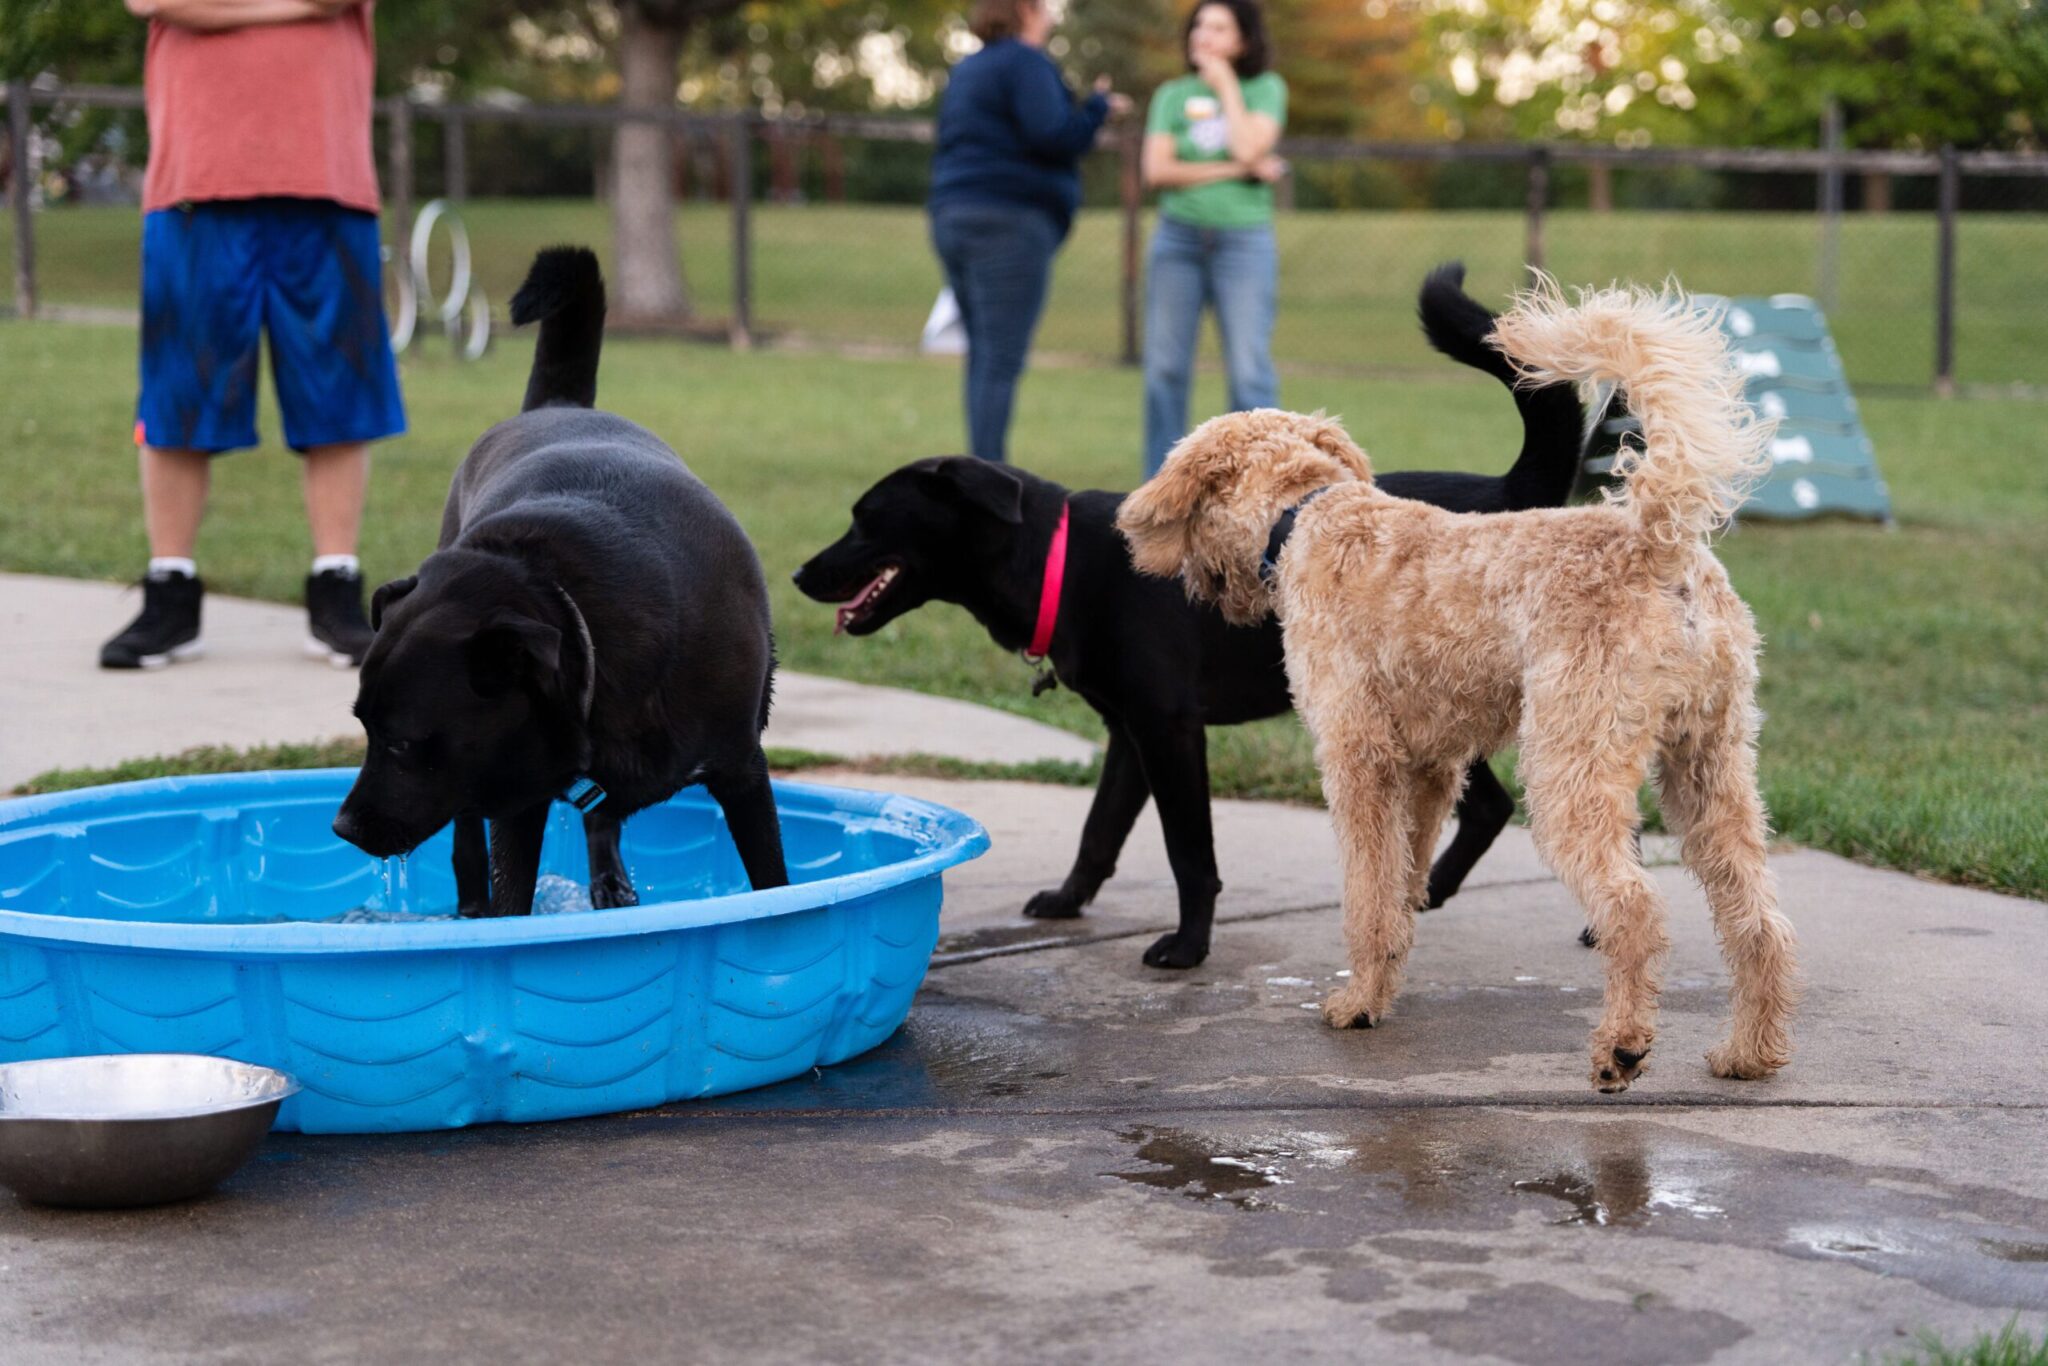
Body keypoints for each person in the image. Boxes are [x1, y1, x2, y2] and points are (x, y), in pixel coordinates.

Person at [100, 0, 405, 670]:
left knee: (338, 395)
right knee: (179, 393)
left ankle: (336, 590)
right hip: (195, 180)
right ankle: (170, 592)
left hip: (327, 174)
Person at [927, 0, 1130, 463]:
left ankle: (982, 468)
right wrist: (1097, 108)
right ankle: (989, 478)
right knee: (1000, 360)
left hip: (952, 217)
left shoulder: (969, 68)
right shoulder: (1025, 61)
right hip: (1009, 223)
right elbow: (1052, 134)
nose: (1053, 14)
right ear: (1024, 9)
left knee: (983, 354)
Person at [1139, 0, 1287, 477]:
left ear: (1243, 39)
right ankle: (1161, 492)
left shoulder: (1265, 89)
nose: (1204, 35)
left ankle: (1261, 485)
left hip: (1243, 244)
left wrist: (1225, 85)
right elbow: (1157, 170)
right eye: (1200, 24)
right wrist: (1237, 169)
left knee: (1249, 373)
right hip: (1176, 242)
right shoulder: (1171, 95)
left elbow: (1250, 143)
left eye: (1219, 27)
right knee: (1164, 371)